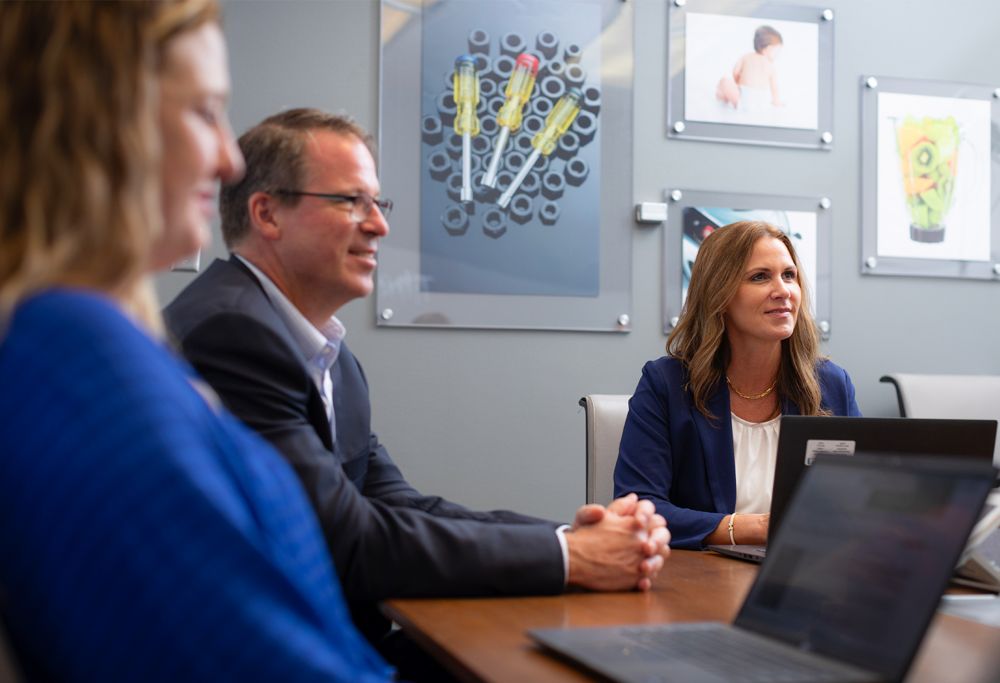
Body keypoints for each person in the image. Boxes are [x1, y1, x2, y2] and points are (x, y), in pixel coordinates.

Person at [163, 109, 669, 638]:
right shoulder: (231, 334)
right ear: (267, 214)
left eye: (377, 203)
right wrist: (572, 554)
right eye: (350, 201)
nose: (379, 225)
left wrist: (574, 535)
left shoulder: (331, 357)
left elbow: (400, 505)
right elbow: (342, 541)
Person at [0, 2, 395, 680]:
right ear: (101, 122)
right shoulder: (82, 362)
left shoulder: (97, 343)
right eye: (204, 112)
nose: (229, 158)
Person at [614, 221, 860, 549]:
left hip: (803, 573)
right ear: (720, 294)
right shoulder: (667, 385)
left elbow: (861, 496)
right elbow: (641, 509)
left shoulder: (832, 384)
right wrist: (751, 528)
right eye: (760, 276)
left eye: (789, 275)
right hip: (699, 580)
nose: (783, 290)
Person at [716, 25, 784, 111]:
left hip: (744, 99)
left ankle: (724, 98)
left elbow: (735, 72)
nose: (777, 55)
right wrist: (777, 102)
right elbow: (774, 88)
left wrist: (737, 84)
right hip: (761, 103)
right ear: (768, 48)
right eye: (777, 51)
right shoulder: (771, 66)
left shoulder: (746, 57)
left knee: (724, 81)